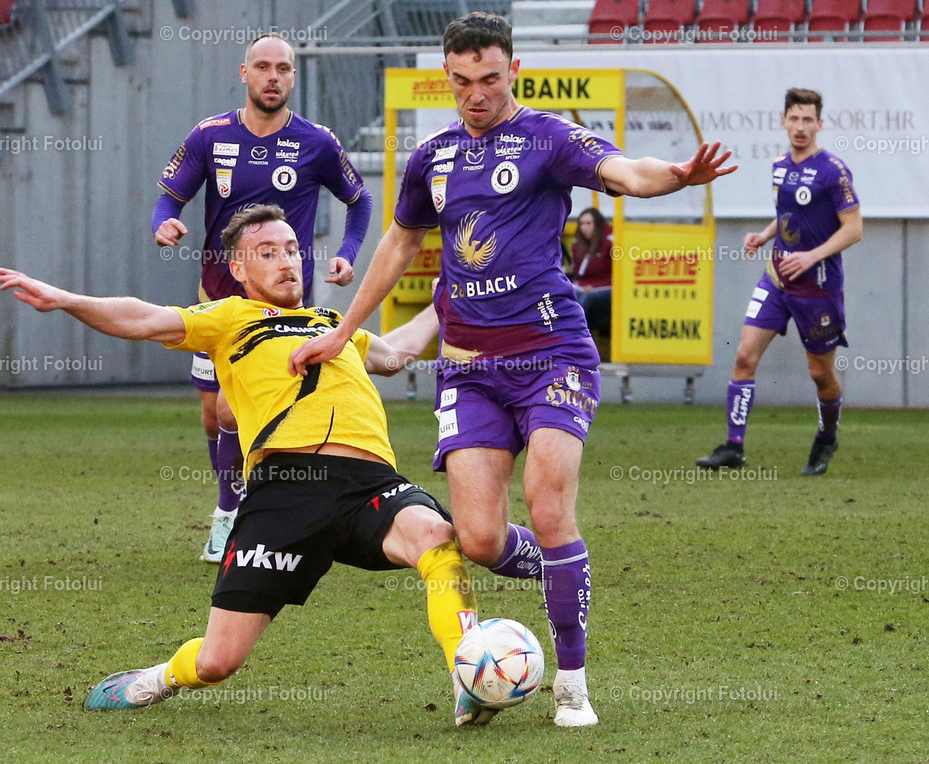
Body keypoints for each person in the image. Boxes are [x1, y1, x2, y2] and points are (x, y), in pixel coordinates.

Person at [289, 12, 736, 727]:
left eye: (490, 79)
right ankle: (567, 572)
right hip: (468, 373)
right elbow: (400, 244)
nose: (476, 94)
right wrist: (345, 330)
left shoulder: (548, 138)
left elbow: (623, 170)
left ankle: (571, 682)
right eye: (462, 81)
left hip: (552, 355)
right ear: (448, 78)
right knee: (481, 540)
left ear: (513, 72)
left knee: (551, 508)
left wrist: (675, 177)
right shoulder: (431, 159)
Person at [0, 204, 493, 727]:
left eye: (292, 250)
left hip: (371, 483)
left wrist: (448, 296)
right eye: (267, 253)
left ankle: (470, 678)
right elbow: (142, 317)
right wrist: (67, 300)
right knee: (216, 663)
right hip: (284, 495)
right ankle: (159, 677)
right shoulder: (231, 318)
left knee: (438, 537)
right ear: (238, 270)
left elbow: (397, 355)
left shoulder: (334, 326)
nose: (286, 262)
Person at [152, 33, 373, 563]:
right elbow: (170, 195)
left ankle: (237, 514)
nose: (273, 77)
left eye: (283, 69)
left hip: (283, 306)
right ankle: (237, 503)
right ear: (244, 73)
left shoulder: (317, 142)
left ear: (293, 78)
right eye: (263, 67)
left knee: (239, 407)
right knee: (215, 416)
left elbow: (359, 201)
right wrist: (166, 222)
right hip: (217, 296)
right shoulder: (210, 136)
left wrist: (346, 251)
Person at [696, 87, 862, 476]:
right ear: (784, 121)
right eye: (795, 118)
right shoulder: (779, 166)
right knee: (743, 357)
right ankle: (734, 447)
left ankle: (827, 435)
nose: (801, 127)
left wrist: (812, 255)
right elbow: (790, 213)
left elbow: (853, 229)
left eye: (808, 120)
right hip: (777, 280)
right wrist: (765, 235)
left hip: (818, 287)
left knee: (820, 374)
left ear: (820, 124)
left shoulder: (833, 170)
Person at [569, 207, 613, 338]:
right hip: (582, 287)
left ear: (598, 225)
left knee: (586, 298)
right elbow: (576, 274)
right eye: (581, 224)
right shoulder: (577, 246)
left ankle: (574, 336)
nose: (584, 228)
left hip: (605, 288)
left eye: (588, 224)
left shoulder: (610, 244)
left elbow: (616, 275)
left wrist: (593, 288)